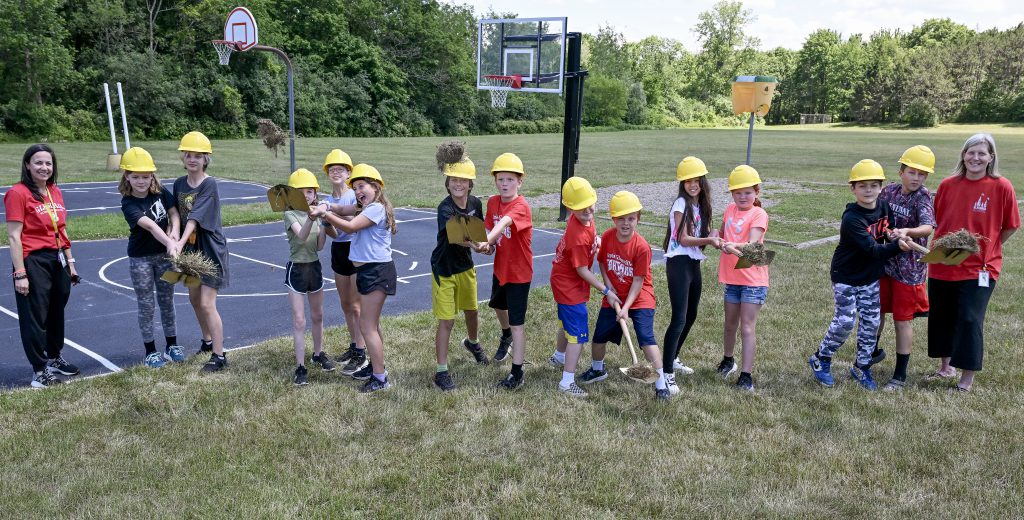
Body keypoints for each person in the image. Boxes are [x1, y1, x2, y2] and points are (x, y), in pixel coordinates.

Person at [926, 133, 1019, 392]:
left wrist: (986, 246)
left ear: (991, 157)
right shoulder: (947, 185)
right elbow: (938, 220)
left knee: (969, 318)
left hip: (980, 267)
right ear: (963, 155)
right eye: (971, 152)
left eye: (981, 153)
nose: (975, 158)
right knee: (942, 316)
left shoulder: (1001, 186)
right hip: (943, 263)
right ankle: (946, 368)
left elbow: (1011, 226)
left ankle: (966, 379)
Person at [808, 160, 909, 391]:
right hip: (846, 276)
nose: (868, 190)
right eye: (862, 186)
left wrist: (895, 235)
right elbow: (874, 250)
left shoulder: (884, 207)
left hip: (870, 276)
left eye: (874, 185)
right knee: (845, 321)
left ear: (881, 187)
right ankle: (821, 358)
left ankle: (862, 366)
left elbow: (888, 229)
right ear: (853, 188)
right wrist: (898, 248)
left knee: (872, 323)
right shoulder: (852, 219)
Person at [312, 164, 397, 393]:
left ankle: (380, 378)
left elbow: (349, 227)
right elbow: (342, 208)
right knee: (372, 325)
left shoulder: (375, 209)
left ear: (376, 187)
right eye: (356, 187)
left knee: (367, 326)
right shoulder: (364, 207)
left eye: (362, 186)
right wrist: (328, 205)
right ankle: (376, 368)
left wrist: (324, 213)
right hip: (370, 271)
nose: (358, 191)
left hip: (376, 271)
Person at [578, 191, 669, 400]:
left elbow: (638, 281)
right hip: (614, 294)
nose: (626, 223)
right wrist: (609, 291)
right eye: (621, 218)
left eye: (631, 218)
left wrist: (626, 307)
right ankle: (598, 369)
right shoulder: (609, 237)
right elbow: (602, 263)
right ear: (613, 219)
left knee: (646, 339)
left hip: (640, 297)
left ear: (638, 218)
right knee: (599, 337)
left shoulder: (642, 247)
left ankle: (661, 384)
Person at [5, 144, 81, 388]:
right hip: (33, 260)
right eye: (38, 162)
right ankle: (39, 371)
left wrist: (71, 262)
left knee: (56, 312)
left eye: (48, 163)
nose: (44, 167)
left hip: (57, 258)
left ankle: (54, 357)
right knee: (35, 316)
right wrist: (20, 273)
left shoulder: (54, 191)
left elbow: (61, 228)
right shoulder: (18, 193)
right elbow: (14, 237)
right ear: (27, 165)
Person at [547, 177, 620, 397]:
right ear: (569, 209)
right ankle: (567, 381)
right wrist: (605, 290)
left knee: (566, 323)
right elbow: (582, 270)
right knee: (578, 334)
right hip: (568, 284)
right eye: (581, 208)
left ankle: (560, 356)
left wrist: (595, 241)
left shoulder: (587, 218)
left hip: (564, 280)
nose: (588, 210)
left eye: (590, 204)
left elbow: (589, 235)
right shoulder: (576, 236)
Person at [874, 146, 936, 391]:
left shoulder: (923, 196)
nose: (916, 178)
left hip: (908, 271)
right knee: (875, 311)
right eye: (912, 172)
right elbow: (877, 218)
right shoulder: (888, 191)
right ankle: (871, 353)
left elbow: (928, 227)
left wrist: (908, 232)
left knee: (902, 320)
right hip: (883, 263)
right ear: (901, 171)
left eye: (922, 174)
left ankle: (899, 375)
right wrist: (884, 231)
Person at [660, 156, 722, 395]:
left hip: (693, 263)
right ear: (682, 184)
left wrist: (714, 233)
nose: (692, 185)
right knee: (678, 318)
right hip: (679, 263)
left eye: (696, 180)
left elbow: (703, 234)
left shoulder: (700, 206)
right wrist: (709, 239)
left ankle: (673, 357)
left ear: (703, 182)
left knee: (691, 314)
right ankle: (666, 373)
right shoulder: (680, 205)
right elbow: (683, 239)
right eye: (688, 181)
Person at [118, 147, 183, 368]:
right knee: (146, 304)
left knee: (167, 301)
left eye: (145, 177)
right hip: (141, 259)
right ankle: (150, 352)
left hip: (165, 257)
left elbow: (174, 213)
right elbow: (152, 227)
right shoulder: (128, 203)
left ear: (152, 175)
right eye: (135, 177)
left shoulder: (161, 192)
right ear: (127, 176)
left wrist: (174, 232)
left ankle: (172, 346)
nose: (141, 181)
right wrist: (170, 243)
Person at [429, 155, 490, 391]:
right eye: (454, 179)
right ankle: (441, 372)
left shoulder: (475, 203)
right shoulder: (445, 208)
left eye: (463, 180)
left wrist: (487, 245)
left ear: (470, 183)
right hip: (444, 269)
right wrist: (477, 245)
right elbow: (458, 237)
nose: (458, 184)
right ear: (447, 182)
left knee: (472, 311)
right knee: (447, 321)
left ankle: (473, 343)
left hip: (465, 267)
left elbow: (478, 231)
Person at [172, 131, 230, 372]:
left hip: (209, 249)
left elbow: (194, 218)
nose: (192, 159)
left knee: (207, 303)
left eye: (198, 155)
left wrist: (178, 243)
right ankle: (206, 342)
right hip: (189, 249)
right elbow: (175, 214)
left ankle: (219, 355)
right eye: (188, 155)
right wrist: (173, 237)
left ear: (206, 159)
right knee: (194, 299)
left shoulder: (209, 184)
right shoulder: (178, 184)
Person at [476, 153, 533, 391]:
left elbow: (503, 224)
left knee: (518, 323)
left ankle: (517, 372)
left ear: (520, 182)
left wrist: (484, 240)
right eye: (500, 179)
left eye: (510, 179)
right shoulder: (492, 202)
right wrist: (488, 245)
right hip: (501, 269)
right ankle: (505, 334)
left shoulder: (521, 205)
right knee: (498, 305)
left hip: (519, 273)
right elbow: (491, 228)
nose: (505, 184)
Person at [717, 165, 770, 392]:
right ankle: (728, 359)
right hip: (732, 278)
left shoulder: (759, 214)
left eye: (748, 192)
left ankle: (746, 375)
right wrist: (716, 240)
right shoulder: (729, 210)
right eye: (738, 192)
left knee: (746, 327)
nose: (743, 196)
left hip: (753, 280)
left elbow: (753, 245)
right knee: (730, 324)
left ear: (756, 192)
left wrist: (732, 246)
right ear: (732, 194)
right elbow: (719, 234)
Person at [283, 168, 335, 386]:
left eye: (310, 192)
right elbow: (302, 237)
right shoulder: (290, 214)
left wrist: (323, 222)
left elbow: (320, 246)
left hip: (314, 267)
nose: (306, 195)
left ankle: (318, 353)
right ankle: (300, 366)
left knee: (318, 315)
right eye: (300, 192)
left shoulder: (316, 215)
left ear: (315, 194)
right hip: (297, 269)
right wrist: (312, 218)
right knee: (299, 320)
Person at [321, 149, 366, 375]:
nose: (336, 172)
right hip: (339, 249)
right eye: (332, 169)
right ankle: (353, 344)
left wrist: (330, 215)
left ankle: (361, 350)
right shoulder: (328, 201)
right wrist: (324, 222)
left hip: (355, 249)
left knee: (357, 305)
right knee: (346, 303)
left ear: (349, 172)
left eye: (341, 169)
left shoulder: (353, 195)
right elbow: (334, 234)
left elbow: (355, 221)